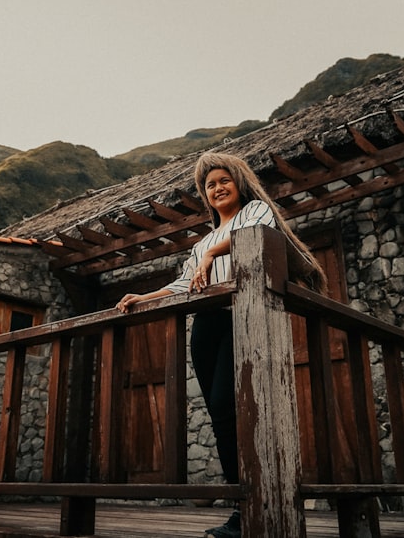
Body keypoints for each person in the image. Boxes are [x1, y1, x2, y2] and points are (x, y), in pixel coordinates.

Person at [116, 151, 325, 538]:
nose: (217, 188)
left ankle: (257, 502)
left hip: (244, 315)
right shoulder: (202, 243)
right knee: (218, 411)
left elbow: (256, 238)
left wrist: (214, 253)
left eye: (223, 180)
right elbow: (184, 284)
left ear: (239, 182)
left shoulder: (257, 210)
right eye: (210, 185)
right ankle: (240, 505)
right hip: (208, 324)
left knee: (234, 403)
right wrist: (144, 297)